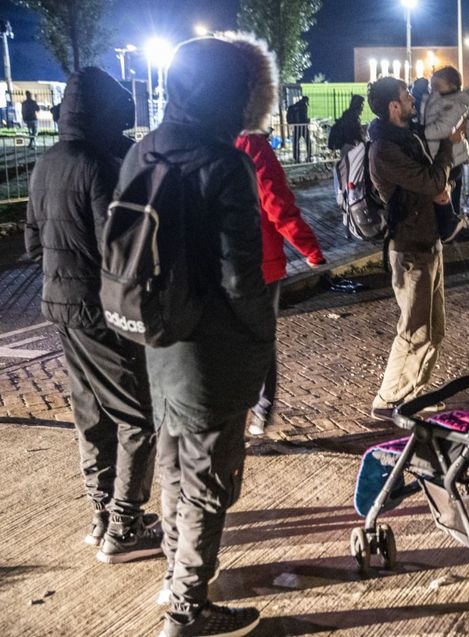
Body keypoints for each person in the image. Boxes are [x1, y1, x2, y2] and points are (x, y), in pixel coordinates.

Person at [116, 34, 279, 636]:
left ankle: (173, 577)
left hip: (159, 337)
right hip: (213, 348)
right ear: (235, 92)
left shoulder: (147, 149)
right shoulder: (223, 161)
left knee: (173, 460)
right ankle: (189, 606)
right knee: (210, 478)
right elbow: (241, 277)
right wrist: (263, 340)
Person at [24, 67, 161, 562]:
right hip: (99, 308)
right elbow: (118, 244)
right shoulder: (101, 164)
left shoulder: (46, 162)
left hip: (57, 304)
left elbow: (32, 241)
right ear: (106, 112)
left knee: (91, 411)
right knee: (137, 414)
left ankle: (102, 512)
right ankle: (125, 525)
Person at [366, 76, 462, 422]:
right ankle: (388, 399)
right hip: (409, 251)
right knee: (414, 331)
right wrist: (449, 149)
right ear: (394, 106)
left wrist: (439, 190)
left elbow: (430, 184)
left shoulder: (406, 139)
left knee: (434, 329)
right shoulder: (385, 149)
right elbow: (432, 180)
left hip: (428, 242)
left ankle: (413, 394)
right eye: (406, 95)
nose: (412, 98)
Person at [235, 129, 326, 435]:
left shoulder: (196, 136)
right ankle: (260, 409)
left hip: (212, 261)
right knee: (259, 339)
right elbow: (276, 202)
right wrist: (310, 249)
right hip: (257, 261)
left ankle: (239, 410)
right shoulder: (252, 144)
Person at [423, 65, 469, 219]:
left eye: (436, 85)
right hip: (441, 158)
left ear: (452, 86)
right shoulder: (438, 101)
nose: (432, 89)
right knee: (443, 198)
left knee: (448, 200)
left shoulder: (457, 104)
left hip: (451, 160)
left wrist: (419, 134)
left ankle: (452, 227)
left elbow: (443, 128)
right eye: (430, 85)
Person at [286, 95, 311, 162]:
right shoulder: (304, 106)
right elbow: (304, 117)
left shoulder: (295, 106)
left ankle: (296, 157)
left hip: (296, 127)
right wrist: (308, 121)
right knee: (308, 142)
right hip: (303, 127)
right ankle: (309, 156)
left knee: (296, 143)